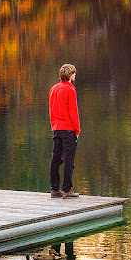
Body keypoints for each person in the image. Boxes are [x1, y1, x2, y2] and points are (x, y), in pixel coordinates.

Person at [49, 63, 80, 198]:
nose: (75, 75)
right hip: (68, 130)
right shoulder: (70, 90)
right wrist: (77, 130)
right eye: (74, 73)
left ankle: (54, 189)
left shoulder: (54, 89)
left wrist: (54, 125)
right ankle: (67, 189)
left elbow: (51, 109)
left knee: (56, 159)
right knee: (69, 159)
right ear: (70, 75)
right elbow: (73, 112)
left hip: (57, 128)